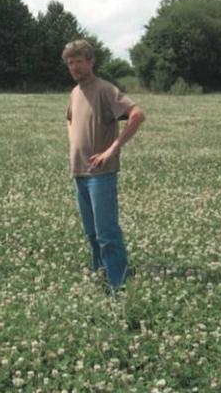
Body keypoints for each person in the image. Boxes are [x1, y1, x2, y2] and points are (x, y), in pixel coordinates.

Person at [64, 39, 145, 292]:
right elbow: (69, 119)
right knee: (91, 234)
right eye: (70, 62)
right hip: (79, 171)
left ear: (91, 61)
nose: (74, 67)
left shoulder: (104, 89)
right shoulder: (75, 92)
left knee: (106, 233)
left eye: (79, 61)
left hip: (101, 174)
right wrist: (73, 144)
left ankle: (117, 285)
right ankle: (101, 276)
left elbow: (137, 115)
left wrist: (112, 149)